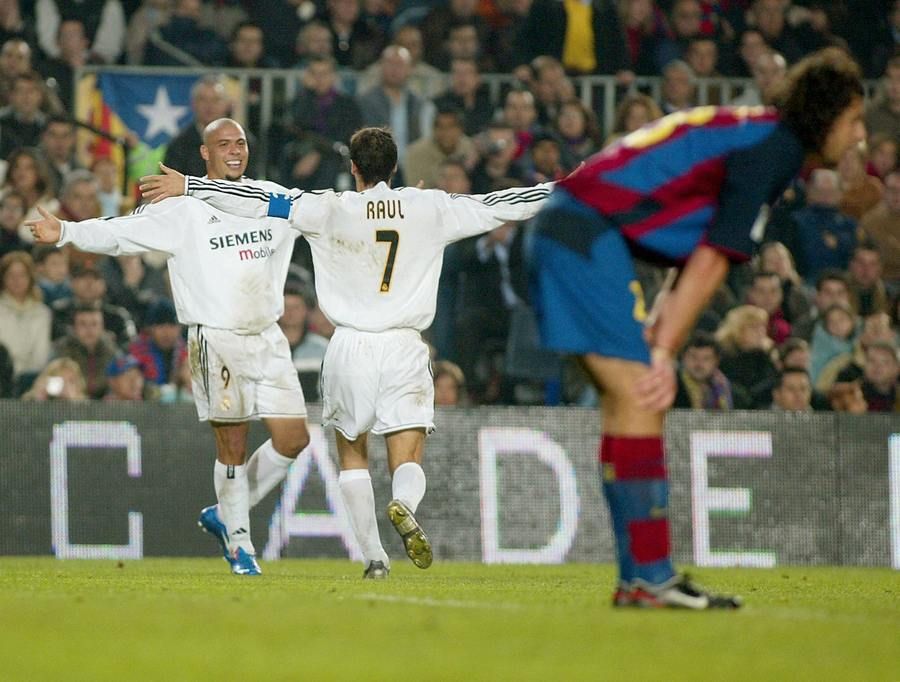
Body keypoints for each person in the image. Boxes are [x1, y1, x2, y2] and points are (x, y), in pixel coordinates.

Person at [530, 48, 866, 609]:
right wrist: (664, 350)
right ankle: (652, 578)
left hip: (573, 228)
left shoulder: (756, 135)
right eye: (854, 119)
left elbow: (695, 248)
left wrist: (663, 324)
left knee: (629, 403)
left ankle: (640, 580)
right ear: (827, 114)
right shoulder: (775, 148)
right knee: (643, 395)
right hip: (585, 235)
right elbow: (713, 257)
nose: (859, 135)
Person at [138, 126, 553, 579]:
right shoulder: (431, 207)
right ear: (394, 166)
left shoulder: (327, 208)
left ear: (353, 167)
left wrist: (191, 186)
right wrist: (566, 186)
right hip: (404, 344)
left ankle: (375, 558)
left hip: (350, 345)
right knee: (408, 448)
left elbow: (257, 200)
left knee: (353, 453)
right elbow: (503, 203)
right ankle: (404, 502)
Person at [26, 118, 312, 578]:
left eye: (240, 142)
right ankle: (240, 544)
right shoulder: (183, 208)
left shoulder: (270, 198)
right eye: (224, 144)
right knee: (233, 442)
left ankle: (227, 512)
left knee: (294, 439)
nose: (235, 150)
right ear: (205, 153)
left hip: (268, 337)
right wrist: (65, 231)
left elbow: (319, 212)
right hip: (216, 337)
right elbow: (121, 233)